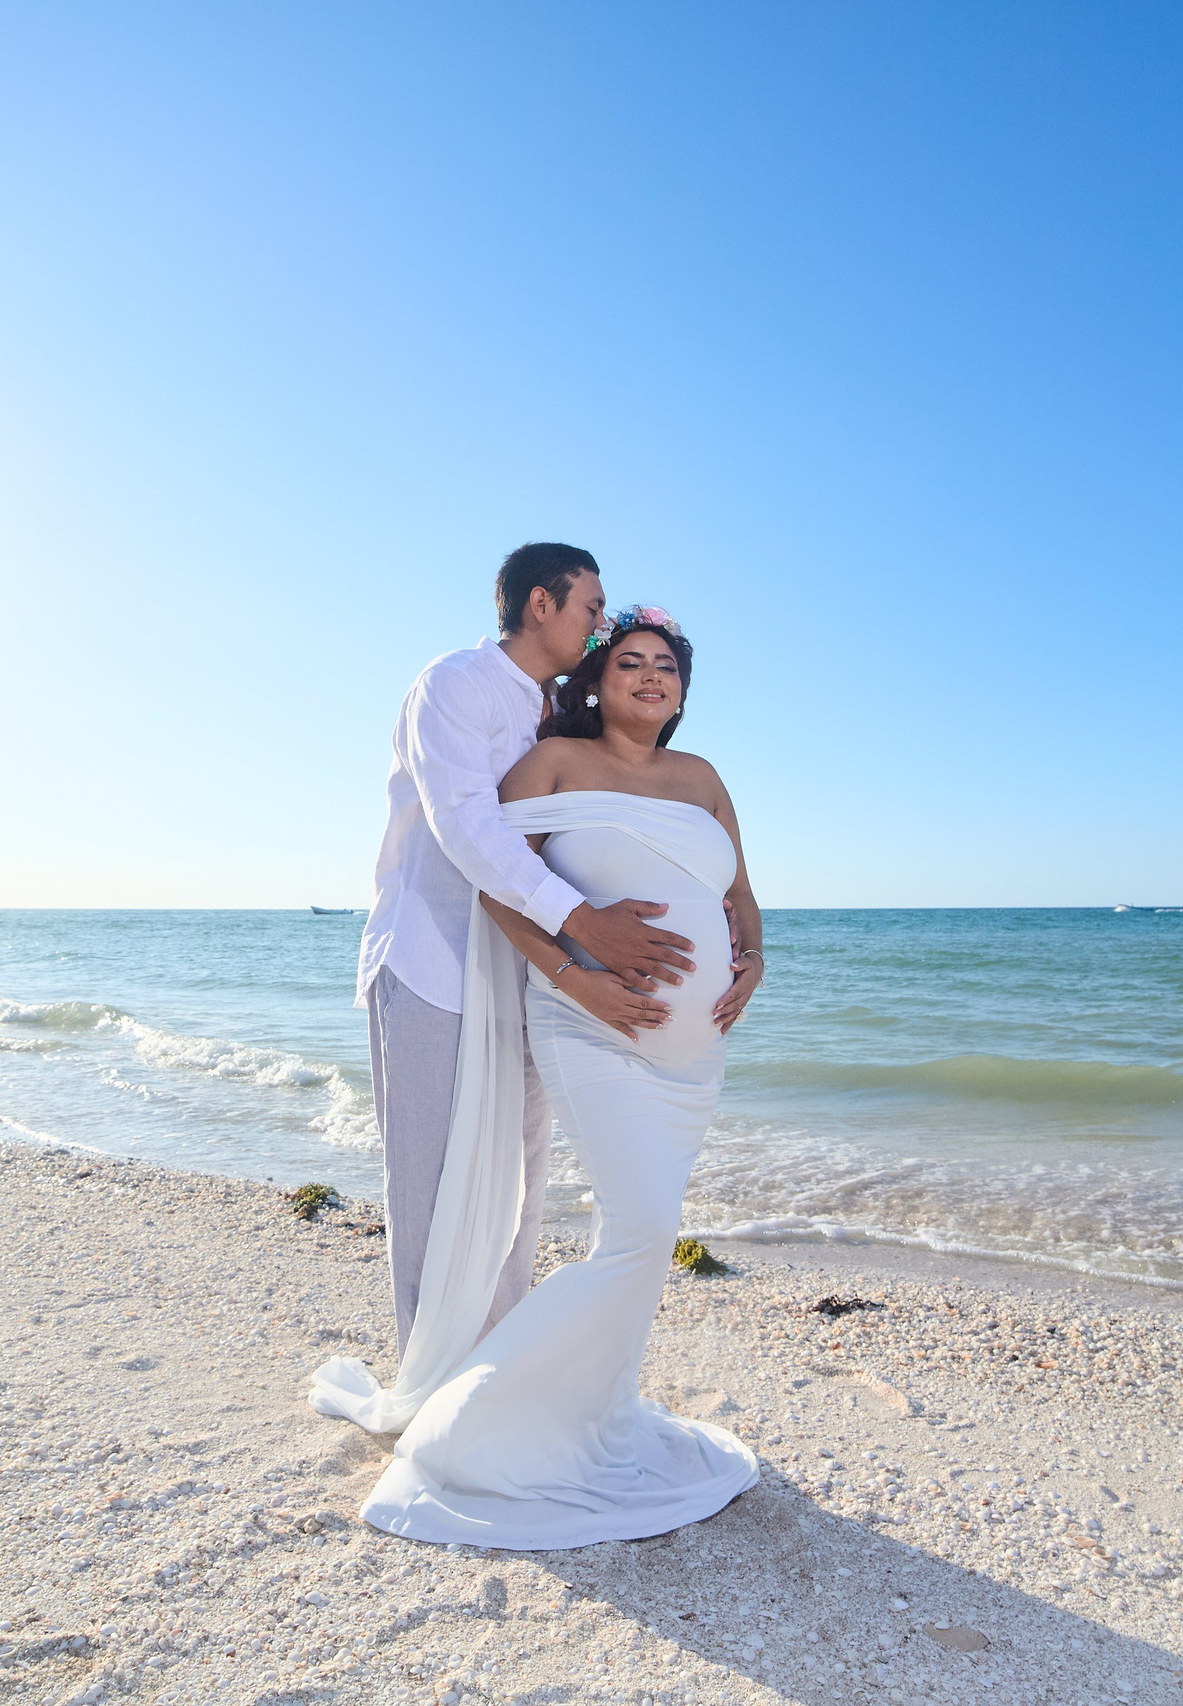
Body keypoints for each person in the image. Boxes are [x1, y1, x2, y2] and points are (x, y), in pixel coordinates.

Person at [316, 606, 768, 1548]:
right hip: (592, 1030)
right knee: (640, 1234)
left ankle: (588, 1414)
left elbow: (738, 890)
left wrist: (754, 959)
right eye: (630, 661)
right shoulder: (552, 765)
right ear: (597, 682)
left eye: (666, 669)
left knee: (644, 1236)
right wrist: (576, 976)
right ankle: (474, 1421)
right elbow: (493, 879)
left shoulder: (704, 778)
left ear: (682, 693)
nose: (650, 676)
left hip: (693, 1057)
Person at [345, 544, 700, 1366]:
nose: (600, 623)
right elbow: (468, 830)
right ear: (541, 604)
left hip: (524, 972)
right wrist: (588, 924)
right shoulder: (454, 686)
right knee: (431, 1190)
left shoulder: (554, 713)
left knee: (516, 1189)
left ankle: (495, 1378)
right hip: (432, 961)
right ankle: (429, 1388)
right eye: (591, 606)